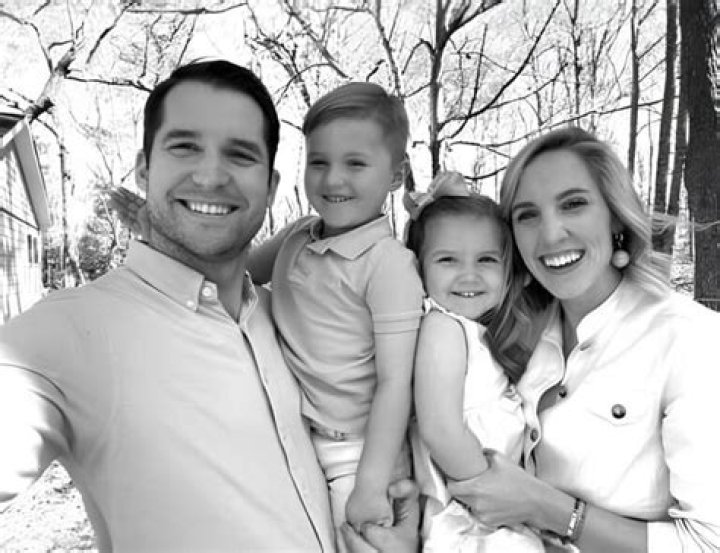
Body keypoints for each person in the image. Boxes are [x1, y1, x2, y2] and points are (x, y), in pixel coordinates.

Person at [0, 60, 419, 553]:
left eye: (240, 155)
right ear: (143, 168)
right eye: (184, 147)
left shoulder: (277, 313)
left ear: (271, 187)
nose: (210, 176)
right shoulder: (67, 334)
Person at [448, 127, 720, 552]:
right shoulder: (508, 336)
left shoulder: (691, 340)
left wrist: (546, 507)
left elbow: (708, 543)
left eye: (573, 204)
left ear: (615, 216)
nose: (550, 234)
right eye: (527, 215)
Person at [248, 82, 424, 552]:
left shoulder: (388, 264)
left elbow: (396, 383)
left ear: (395, 174)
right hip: (295, 435)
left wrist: (370, 484)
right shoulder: (297, 237)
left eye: (355, 164)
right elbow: (238, 274)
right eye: (319, 162)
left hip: (360, 452)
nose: (333, 180)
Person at [404, 172, 543, 552]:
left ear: (509, 271)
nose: (469, 275)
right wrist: (494, 493)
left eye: (486, 259)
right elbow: (440, 429)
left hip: (491, 513)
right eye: (447, 259)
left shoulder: (475, 332)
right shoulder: (442, 328)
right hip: (471, 517)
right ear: (419, 269)